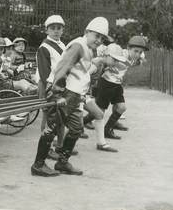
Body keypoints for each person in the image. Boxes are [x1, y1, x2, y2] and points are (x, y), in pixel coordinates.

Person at [31, 17, 112, 177]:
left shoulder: (87, 49)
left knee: (76, 128)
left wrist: (82, 95)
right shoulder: (78, 45)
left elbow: (81, 74)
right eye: (96, 36)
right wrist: (57, 94)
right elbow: (62, 68)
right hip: (64, 94)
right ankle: (38, 165)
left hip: (75, 96)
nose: (99, 40)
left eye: (102, 38)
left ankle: (62, 162)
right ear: (87, 32)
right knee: (52, 128)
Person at [83, 36, 149, 141]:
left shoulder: (135, 58)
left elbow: (137, 60)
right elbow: (104, 55)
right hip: (106, 83)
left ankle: (108, 129)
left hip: (117, 84)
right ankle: (81, 123)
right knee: (99, 111)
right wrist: (105, 66)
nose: (137, 54)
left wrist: (140, 59)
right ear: (128, 48)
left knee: (122, 107)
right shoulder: (120, 54)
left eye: (140, 52)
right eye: (135, 51)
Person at [35, 15, 70, 160]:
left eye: (59, 28)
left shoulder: (62, 45)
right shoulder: (44, 47)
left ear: (62, 30)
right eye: (52, 28)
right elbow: (44, 73)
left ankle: (60, 146)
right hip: (48, 85)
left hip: (60, 84)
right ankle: (47, 148)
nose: (56, 31)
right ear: (47, 30)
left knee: (61, 117)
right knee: (48, 116)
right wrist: (51, 90)